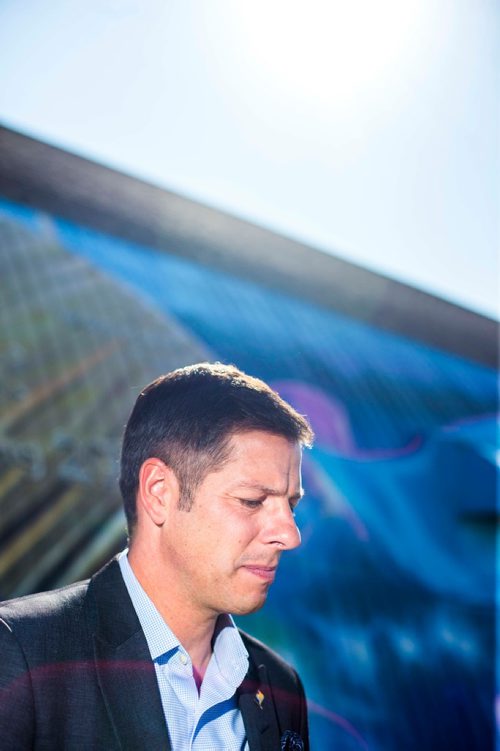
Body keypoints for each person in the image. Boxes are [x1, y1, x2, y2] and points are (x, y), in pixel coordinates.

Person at [0, 362, 314, 750]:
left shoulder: (282, 686)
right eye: (252, 501)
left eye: (291, 505)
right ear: (159, 492)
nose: (289, 535)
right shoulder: (18, 651)